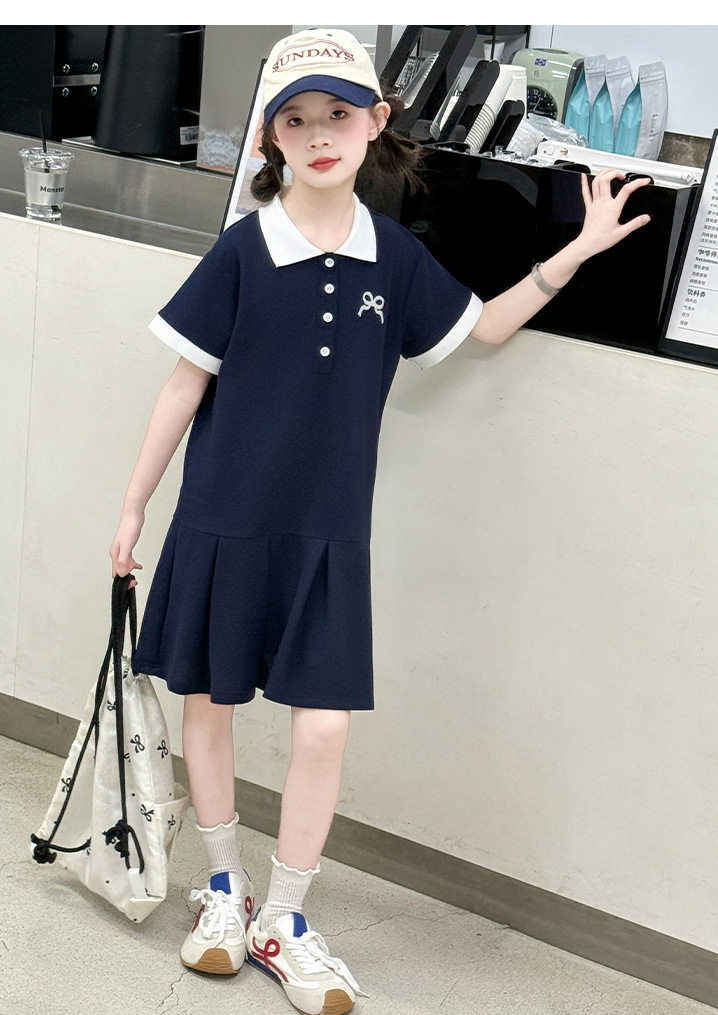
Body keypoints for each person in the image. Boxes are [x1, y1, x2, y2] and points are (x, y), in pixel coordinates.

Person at [110, 27, 650, 1015]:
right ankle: (224, 888)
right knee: (209, 707)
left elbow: (483, 328)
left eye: (338, 114)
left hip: (328, 538)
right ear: (272, 138)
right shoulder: (243, 250)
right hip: (223, 518)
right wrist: (135, 504)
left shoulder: (393, 257)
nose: (319, 135)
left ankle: (284, 917)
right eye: (296, 119)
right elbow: (184, 385)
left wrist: (577, 248)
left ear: (376, 124)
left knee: (322, 731)